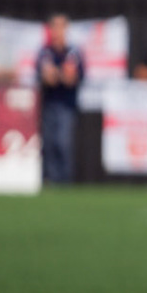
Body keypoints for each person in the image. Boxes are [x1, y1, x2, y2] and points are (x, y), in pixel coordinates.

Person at [35, 14, 84, 183]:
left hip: (66, 105)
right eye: (54, 26)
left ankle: (65, 181)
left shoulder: (73, 52)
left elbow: (72, 78)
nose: (57, 30)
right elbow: (47, 78)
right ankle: (50, 180)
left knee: (63, 143)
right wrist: (60, 74)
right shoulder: (45, 52)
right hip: (48, 104)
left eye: (60, 26)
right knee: (48, 144)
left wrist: (57, 74)